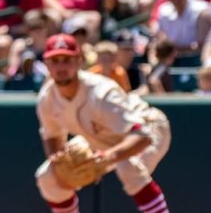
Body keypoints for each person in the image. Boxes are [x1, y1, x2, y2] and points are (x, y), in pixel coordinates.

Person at [34, 34, 171, 213]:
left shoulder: (101, 92)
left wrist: (107, 158)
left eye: (67, 59)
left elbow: (142, 137)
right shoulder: (47, 98)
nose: (61, 66)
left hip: (149, 127)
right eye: (55, 60)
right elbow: (52, 137)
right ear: (47, 65)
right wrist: (59, 163)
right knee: (48, 177)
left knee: (128, 167)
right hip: (99, 136)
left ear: (79, 61)